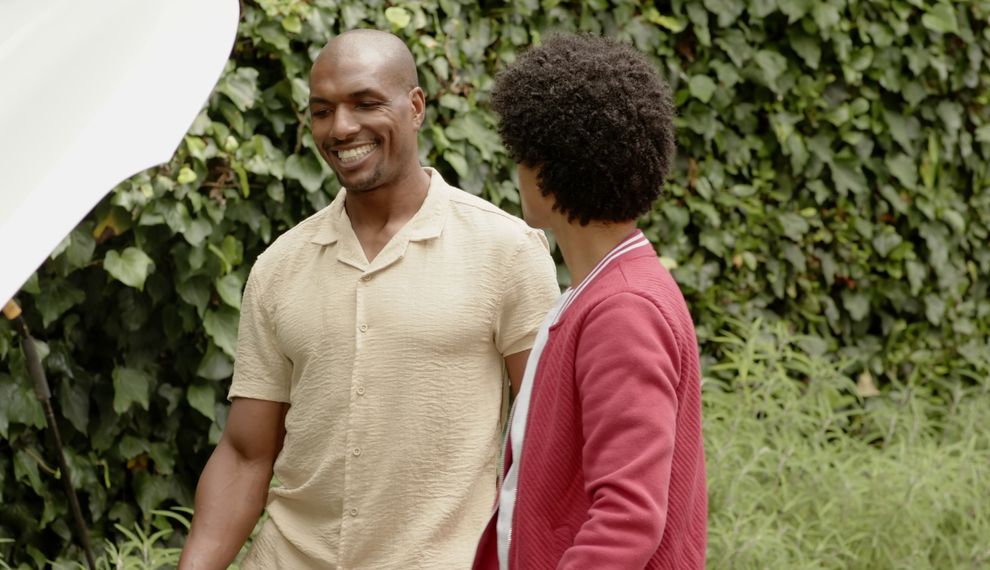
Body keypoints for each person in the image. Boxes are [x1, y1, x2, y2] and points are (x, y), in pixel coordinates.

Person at [178, 29, 559, 569]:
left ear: (416, 106)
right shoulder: (279, 268)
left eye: (365, 103)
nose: (342, 128)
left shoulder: (506, 251)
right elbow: (244, 455)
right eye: (322, 110)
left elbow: (548, 438)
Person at [472, 34, 708, 569]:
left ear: (550, 174)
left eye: (523, 156)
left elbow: (628, 518)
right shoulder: (603, 290)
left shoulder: (623, 310)